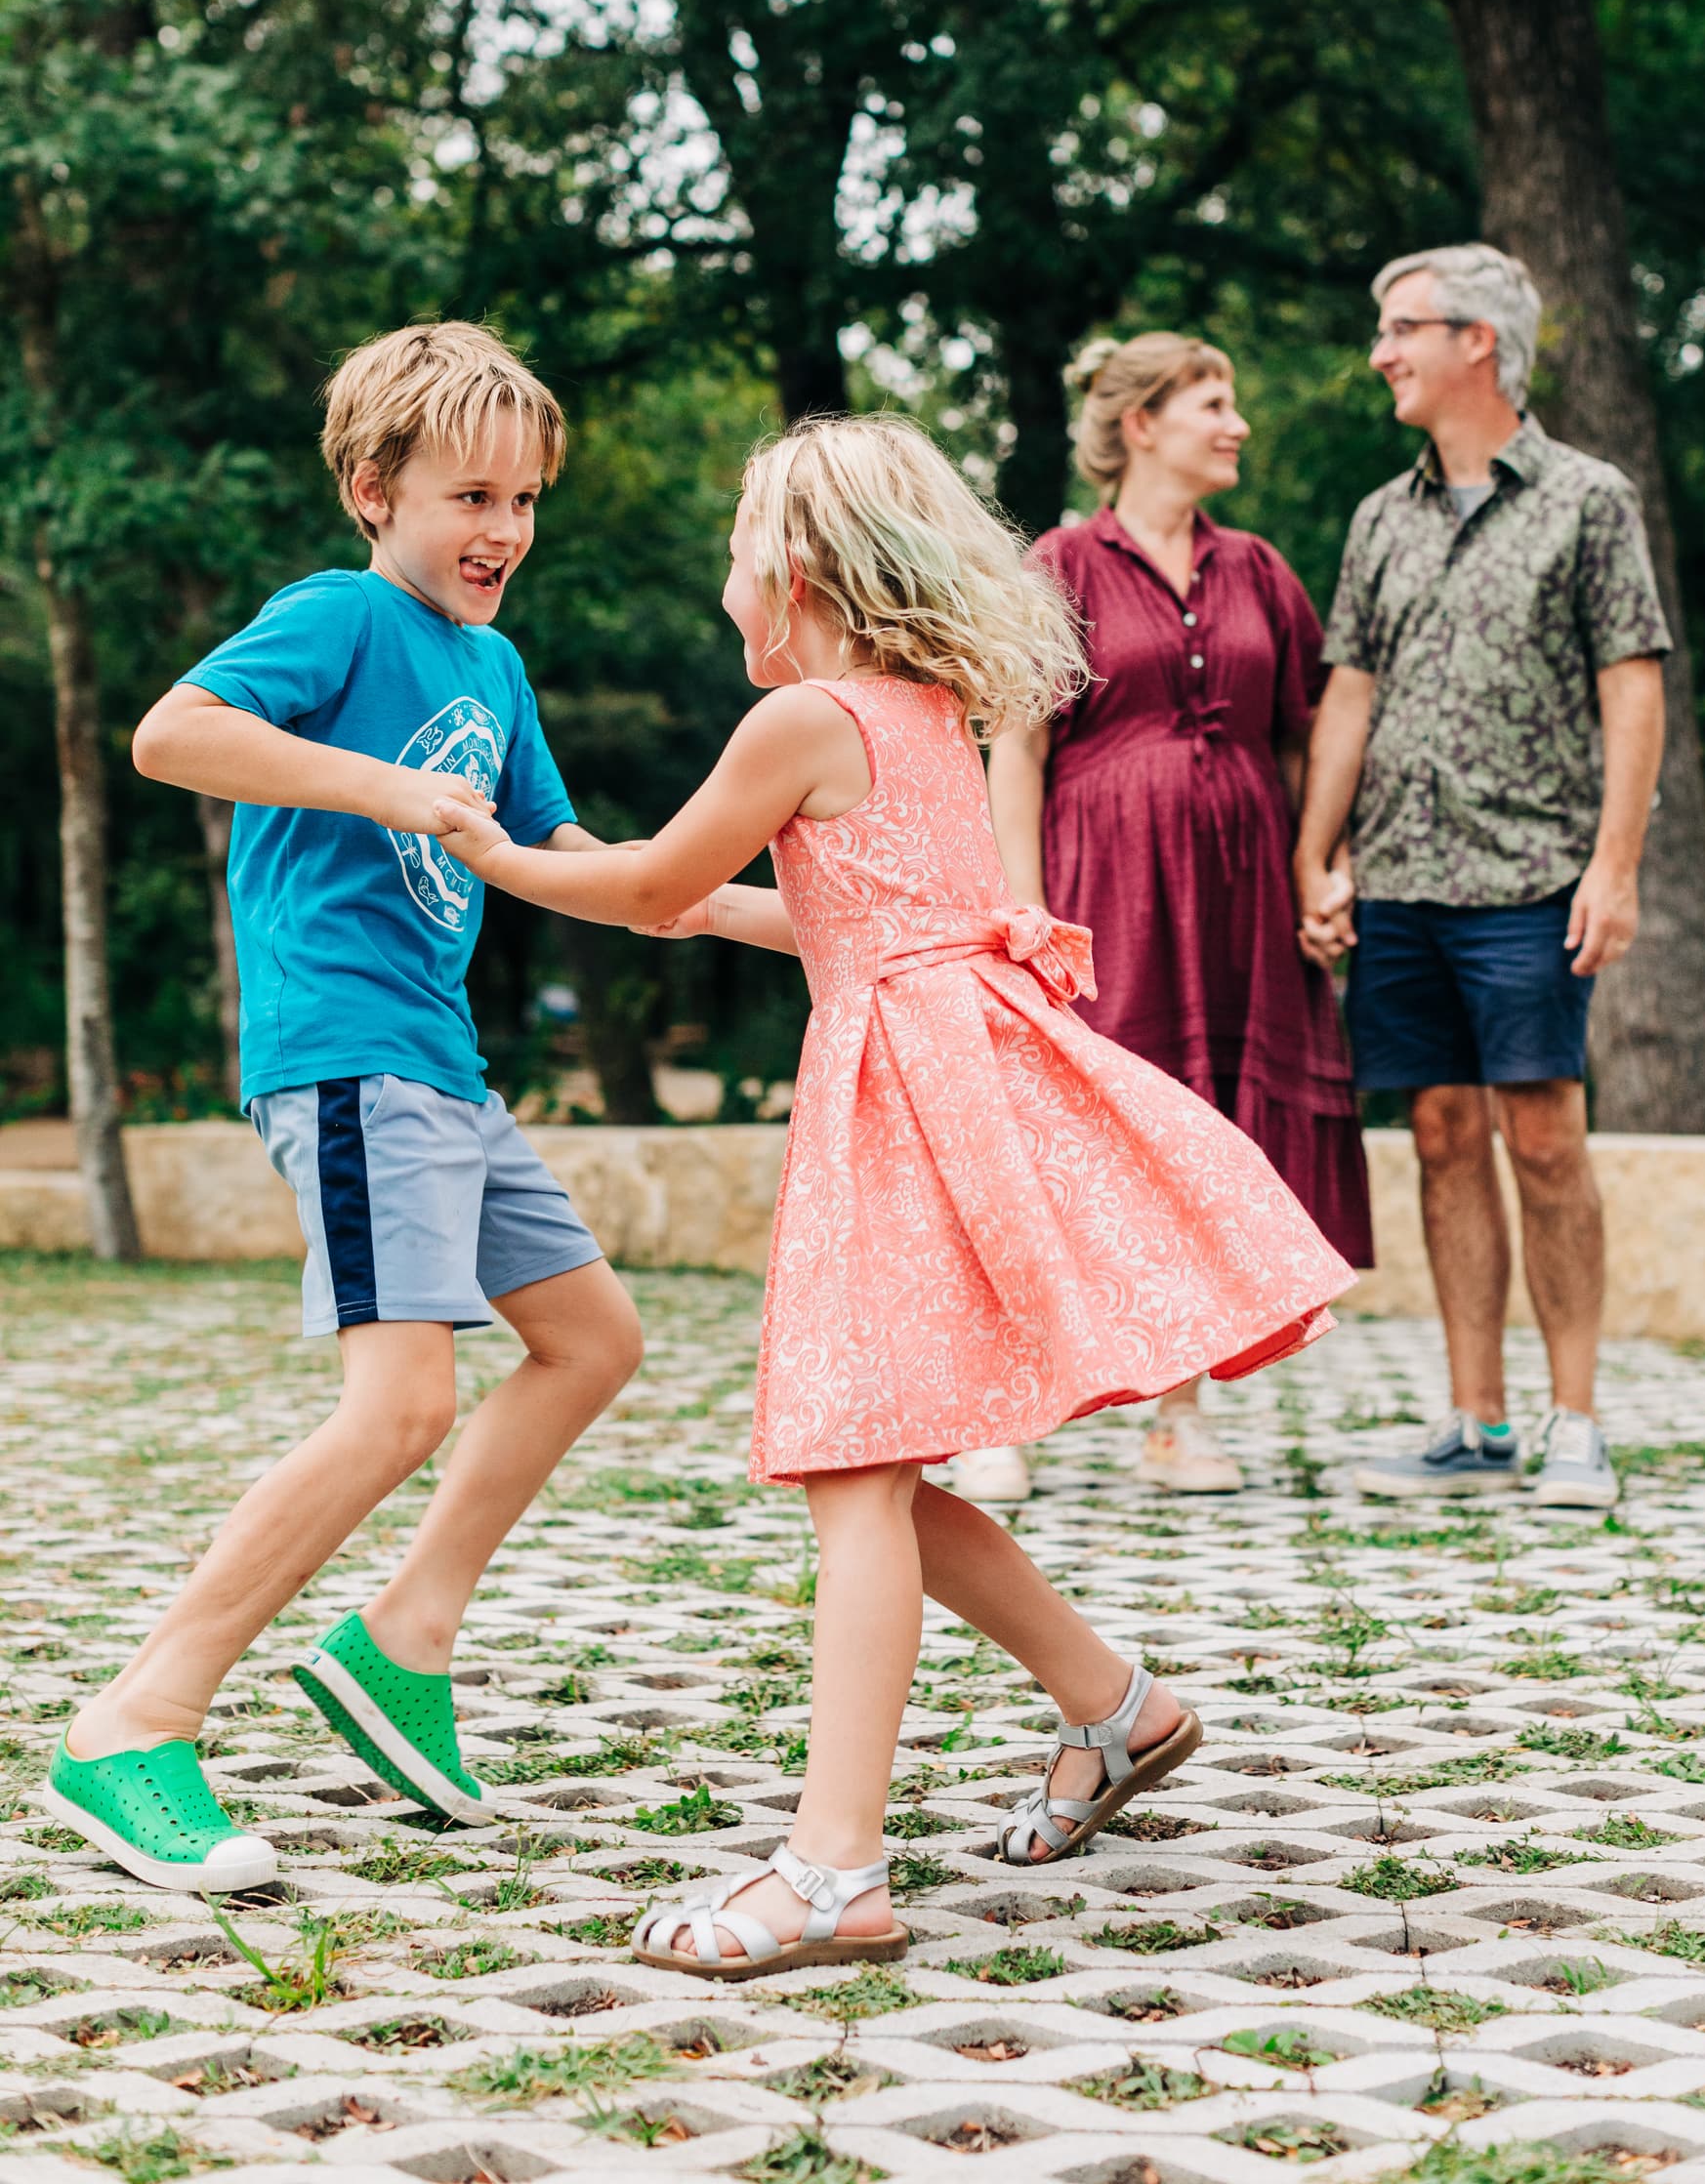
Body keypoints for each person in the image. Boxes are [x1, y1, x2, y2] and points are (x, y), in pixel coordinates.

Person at [432, 414, 1353, 1979]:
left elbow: (658, 885)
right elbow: (831, 910)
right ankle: (1119, 1710)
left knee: (860, 1475)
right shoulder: (920, 708)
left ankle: (829, 1869)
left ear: (791, 571)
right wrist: (657, 887)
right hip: (954, 1068)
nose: (727, 583)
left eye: (736, 550)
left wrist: (502, 853)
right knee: (886, 1478)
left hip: (904, 1103)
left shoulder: (800, 717)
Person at [46, 324, 645, 1893]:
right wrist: (380, 785)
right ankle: (134, 1721)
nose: (503, 530)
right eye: (470, 496)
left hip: (444, 1065)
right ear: (375, 492)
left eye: (524, 499)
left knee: (593, 1343)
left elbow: (566, 859)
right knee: (398, 1406)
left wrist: (805, 913)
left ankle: (400, 1643)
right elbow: (171, 734)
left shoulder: (496, 665)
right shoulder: (336, 616)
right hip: (347, 1053)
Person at [1292, 245, 1669, 1510]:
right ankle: (1475, 1420)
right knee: (1443, 1136)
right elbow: (1349, 693)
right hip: (1399, 877)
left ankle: (1577, 1423)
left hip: (1531, 876)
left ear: (1479, 345)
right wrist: (1316, 851)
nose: (1381, 352)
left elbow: (1634, 691)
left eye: (1403, 330)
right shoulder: (1378, 517)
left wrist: (1614, 867)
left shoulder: (1587, 498)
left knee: (1544, 1137)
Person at [976, 334, 1372, 1506]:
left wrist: (1319, 868)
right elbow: (1019, 743)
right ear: (1141, 423)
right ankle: (1005, 1412)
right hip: (1107, 883)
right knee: (1069, 1144)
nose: (1235, 421)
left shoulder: (1258, 568)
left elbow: (1304, 736)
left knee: (1202, 1138)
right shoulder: (1060, 562)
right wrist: (1025, 907)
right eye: (1213, 401)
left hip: (1241, 890)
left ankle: (1179, 1422)